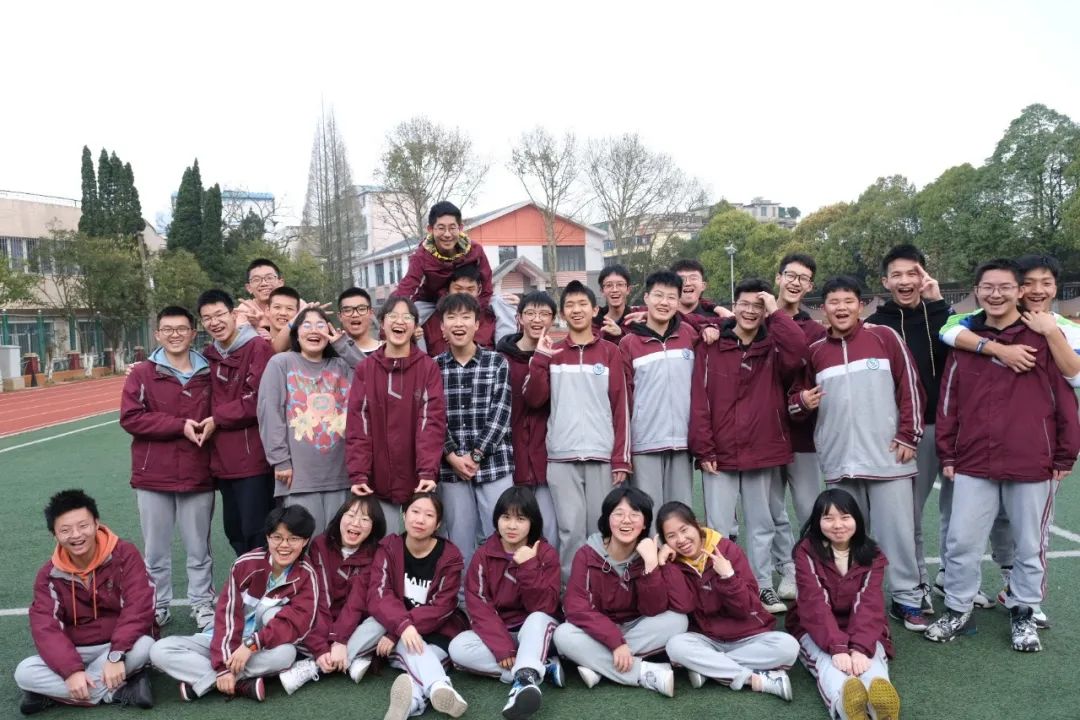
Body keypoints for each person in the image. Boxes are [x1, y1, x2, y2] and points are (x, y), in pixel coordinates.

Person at [924, 259, 1080, 652]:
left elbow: (1065, 400)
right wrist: (948, 452)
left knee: (1030, 544)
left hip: (1032, 461)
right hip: (974, 461)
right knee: (961, 541)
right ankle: (958, 607)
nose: (996, 294)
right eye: (988, 287)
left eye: (1005, 287)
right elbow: (948, 403)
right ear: (977, 291)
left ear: (1019, 291)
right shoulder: (964, 339)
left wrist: (1065, 455)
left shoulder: (1044, 337)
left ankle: (1023, 610)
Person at [790, 276, 928, 633]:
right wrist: (802, 402)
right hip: (840, 462)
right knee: (843, 538)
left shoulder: (884, 337)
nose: (841, 308)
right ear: (823, 309)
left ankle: (907, 597)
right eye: (833, 302)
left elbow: (911, 387)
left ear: (860, 305)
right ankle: (850, 599)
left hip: (888, 458)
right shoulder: (815, 351)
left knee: (897, 533)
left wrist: (908, 435)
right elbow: (795, 401)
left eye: (848, 301)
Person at [689, 279, 808, 614]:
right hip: (719, 453)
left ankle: (762, 585)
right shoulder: (712, 345)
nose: (751, 311)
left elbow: (798, 351)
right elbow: (699, 400)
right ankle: (719, 586)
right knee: (718, 528)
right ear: (734, 305)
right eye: (745, 304)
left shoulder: (774, 345)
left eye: (758, 306)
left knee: (761, 524)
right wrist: (704, 448)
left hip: (762, 450)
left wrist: (775, 311)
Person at [150, 505, 319, 703]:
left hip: (262, 647)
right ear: (267, 537)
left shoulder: (307, 575)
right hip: (220, 639)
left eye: (293, 539)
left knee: (286, 654)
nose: (284, 545)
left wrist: (251, 645)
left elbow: (295, 624)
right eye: (277, 537)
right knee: (159, 650)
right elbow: (227, 615)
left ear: (305, 541)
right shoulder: (245, 564)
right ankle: (240, 685)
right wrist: (223, 666)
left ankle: (202, 681)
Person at [523, 280, 632, 582]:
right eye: (569, 305)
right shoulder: (552, 352)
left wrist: (621, 458)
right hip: (561, 458)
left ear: (595, 310)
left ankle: (605, 588)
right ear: (562, 314)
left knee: (603, 528)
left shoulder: (610, 352)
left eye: (583, 304)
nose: (576, 310)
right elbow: (533, 399)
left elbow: (621, 407)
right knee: (570, 530)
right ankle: (571, 592)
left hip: (602, 456)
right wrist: (540, 359)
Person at [15, 490, 156, 715]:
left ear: (96, 523)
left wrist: (116, 655)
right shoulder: (48, 575)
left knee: (147, 646)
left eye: (83, 526)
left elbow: (139, 606)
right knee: (24, 672)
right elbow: (45, 627)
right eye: (65, 530)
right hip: (76, 650)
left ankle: (53, 694)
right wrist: (71, 671)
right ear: (54, 535)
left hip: (118, 646)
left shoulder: (124, 554)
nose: (76, 535)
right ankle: (116, 692)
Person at [119, 305, 216, 630]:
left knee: (199, 549)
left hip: (198, 472)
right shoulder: (142, 373)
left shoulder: (209, 371)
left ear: (193, 333)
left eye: (182, 329)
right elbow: (131, 418)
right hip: (153, 476)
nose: (175, 335)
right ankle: (157, 605)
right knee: (155, 551)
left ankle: (202, 604)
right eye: (168, 329)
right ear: (157, 334)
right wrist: (179, 425)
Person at [867, 244, 952, 614]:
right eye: (897, 275)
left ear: (924, 277)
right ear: (885, 281)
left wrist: (938, 303)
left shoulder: (943, 316)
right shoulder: (876, 324)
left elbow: (955, 354)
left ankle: (952, 580)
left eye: (912, 273)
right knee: (910, 515)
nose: (905, 281)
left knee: (958, 513)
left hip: (952, 428)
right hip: (910, 433)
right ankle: (917, 586)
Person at [553, 486, 687, 696]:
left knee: (678, 621)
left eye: (635, 515)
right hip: (598, 630)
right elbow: (576, 607)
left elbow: (654, 610)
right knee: (563, 634)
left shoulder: (649, 553)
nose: (626, 521)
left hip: (637, 626)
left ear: (645, 523)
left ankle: (598, 665)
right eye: (619, 514)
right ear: (607, 519)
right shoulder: (587, 554)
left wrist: (651, 565)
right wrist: (615, 642)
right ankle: (645, 673)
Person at [659, 502, 797, 701]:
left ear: (696, 524)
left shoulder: (727, 549)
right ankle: (755, 679)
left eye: (684, 530)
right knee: (675, 646)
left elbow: (746, 608)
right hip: (707, 639)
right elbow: (684, 605)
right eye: (671, 536)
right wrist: (665, 565)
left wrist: (728, 576)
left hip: (748, 636)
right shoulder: (674, 563)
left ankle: (708, 669)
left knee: (788, 647)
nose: (681, 540)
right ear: (665, 542)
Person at [449, 486, 563, 720]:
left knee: (537, 618)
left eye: (520, 519)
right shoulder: (484, 554)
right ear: (496, 519)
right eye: (505, 517)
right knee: (458, 648)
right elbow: (479, 605)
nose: (511, 526)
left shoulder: (546, 553)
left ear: (532, 522)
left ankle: (523, 677)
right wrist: (502, 647)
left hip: (535, 632)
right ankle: (537, 670)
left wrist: (528, 566)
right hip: (501, 632)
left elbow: (545, 607)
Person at [786, 489, 900, 720]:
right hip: (815, 627)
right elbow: (814, 603)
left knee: (869, 658)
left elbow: (869, 603)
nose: (838, 525)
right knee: (828, 662)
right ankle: (845, 707)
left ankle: (881, 708)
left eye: (845, 517)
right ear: (817, 522)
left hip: (861, 624)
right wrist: (838, 647)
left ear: (857, 519)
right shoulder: (806, 551)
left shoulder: (872, 553)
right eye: (828, 518)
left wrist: (859, 648)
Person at [346, 297, 447, 534]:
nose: (399, 321)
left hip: (419, 479)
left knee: (420, 540)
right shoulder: (366, 369)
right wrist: (359, 473)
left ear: (415, 326)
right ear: (382, 323)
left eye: (407, 317)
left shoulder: (427, 367)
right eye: (392, 316)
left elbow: (431, 422)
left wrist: (427, 470)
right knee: (384, 542)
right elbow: (359, 425)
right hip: (377, 480)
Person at [368, 493, 470, 720]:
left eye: (429, 515)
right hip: (401, 629)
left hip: (439, 631)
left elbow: (442, 607)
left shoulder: (449, 555)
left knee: (420, 660)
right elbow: (378, 595)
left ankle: (410, 704)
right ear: (404, 514)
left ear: (438, 523)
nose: (420, 520)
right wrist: (403, 626)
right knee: (418, 654)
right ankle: (439, 686)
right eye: (415, 512)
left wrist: (399, 629)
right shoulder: (389, 548)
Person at [257, 306, 358, 533]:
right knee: (304, 540)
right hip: (297, 477)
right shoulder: (281, 363)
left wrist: (342, 345)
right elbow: (269, 412)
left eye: (321, 325)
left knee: (337, 541)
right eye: (307, 325)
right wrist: (280, 460)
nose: (314, 330)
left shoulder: (342, 365)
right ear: (296, 333)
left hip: (340, 475)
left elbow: (371, 373)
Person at [276, 494, 388, 694]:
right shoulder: (320, 544)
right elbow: (319, 597)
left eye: (365, 519)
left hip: (353, 623)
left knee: (381, 622)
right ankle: (351, 657)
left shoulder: (377, 553)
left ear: (374, 527)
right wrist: (322, 646)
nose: (356, 523)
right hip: (319, 618)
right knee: (286, 614)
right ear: (340, 517)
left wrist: (340, 639)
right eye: (351, 515)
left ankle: (314, 666)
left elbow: (356, 603)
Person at [435, 292, 514, 569]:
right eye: (452, 317)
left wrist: (477, 455)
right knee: (459, 542)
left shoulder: (496, 362)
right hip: (451, 470)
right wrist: (452, 456)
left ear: (477, 324)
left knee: (502, 535)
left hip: (494, 465)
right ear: (442, 326)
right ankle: (462, 595)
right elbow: (432, 418)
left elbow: (501, 414)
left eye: (466, 317)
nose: (459, 323)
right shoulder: (433, 367)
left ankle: (501, 592)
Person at [197, 289, 276, 555]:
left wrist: (217, 418)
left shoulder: (257, 347)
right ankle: (246, 575)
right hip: (222, 462)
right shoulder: (209, 354)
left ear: (233, 315)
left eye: (219, 314)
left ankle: (263, 578)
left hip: (252, 460)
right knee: (235, 530)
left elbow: (258, 399)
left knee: (257, 531)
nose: (214, 322)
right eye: (207, 318)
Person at [771, 254, 827, 601]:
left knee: (808, 508)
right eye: (790, 275)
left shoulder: (815, 330)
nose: (795, 282)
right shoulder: (758, 320)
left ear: (809, 286)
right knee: (772, 510)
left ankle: (812, 568)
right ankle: (787, 569)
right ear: (778, 278)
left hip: (803, 435)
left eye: (802, 278)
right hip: (763, 435)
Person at [619, 270, 697, 511]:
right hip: (644, 442)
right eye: (658, 295)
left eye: (671, 297)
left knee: (680, 512)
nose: (664, 302)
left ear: (678, 302)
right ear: (646, 298)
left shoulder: (689, 335)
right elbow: (624, 398)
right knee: (647, 512)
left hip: (683, 440)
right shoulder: (629, 343)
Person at [495, 291, 561, 551]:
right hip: (511, 458)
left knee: (550, 529)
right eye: (530, 313)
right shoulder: (500, 359)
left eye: (544, 314)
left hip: (546, 457)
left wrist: (542, 358)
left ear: (553, 319)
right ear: (519, 318)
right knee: (512, 528)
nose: (537, 319)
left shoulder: (558, 357)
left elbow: (537, 399)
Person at [395, 201, 494, 329]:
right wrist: (394, 308)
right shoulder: (421, 256)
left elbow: (487, 282)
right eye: (441, 228)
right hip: (432, 300)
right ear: (430, 229)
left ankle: (507, 340)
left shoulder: (475, 250)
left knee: (502, 303)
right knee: (411, 317)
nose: (447, 234)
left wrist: (477, 308)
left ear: (460, 228)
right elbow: (409, 283)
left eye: (452, 228)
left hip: (468, 299)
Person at [423, 263, 516, 356]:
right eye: (458, 289)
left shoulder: (492, 315)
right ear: (448, 289)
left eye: (470, 289)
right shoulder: (429, 319)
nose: (464, 294)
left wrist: (521, 308)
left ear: (479, 289)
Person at [237, 258, 286, 337]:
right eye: (256, 280)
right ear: (249, 288)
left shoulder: (295, 304)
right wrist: (254, 327)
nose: (264, 283)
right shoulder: (246, 309)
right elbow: (239, 337)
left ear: (280, 283)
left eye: (269, 278)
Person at [334, 287, 383, 363]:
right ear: (340, 316)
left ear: (371, 313)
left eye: (361, 309)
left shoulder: (387, 351)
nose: (355, 314)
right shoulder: (332, 352)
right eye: (348, 310)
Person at [593, 264, 633, 343]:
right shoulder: (593, 323)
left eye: (620, 284)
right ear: (602, 291)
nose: (615, 290)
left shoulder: (636, 320)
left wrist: (621, 334)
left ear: (628, 290)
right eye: (609, 285)